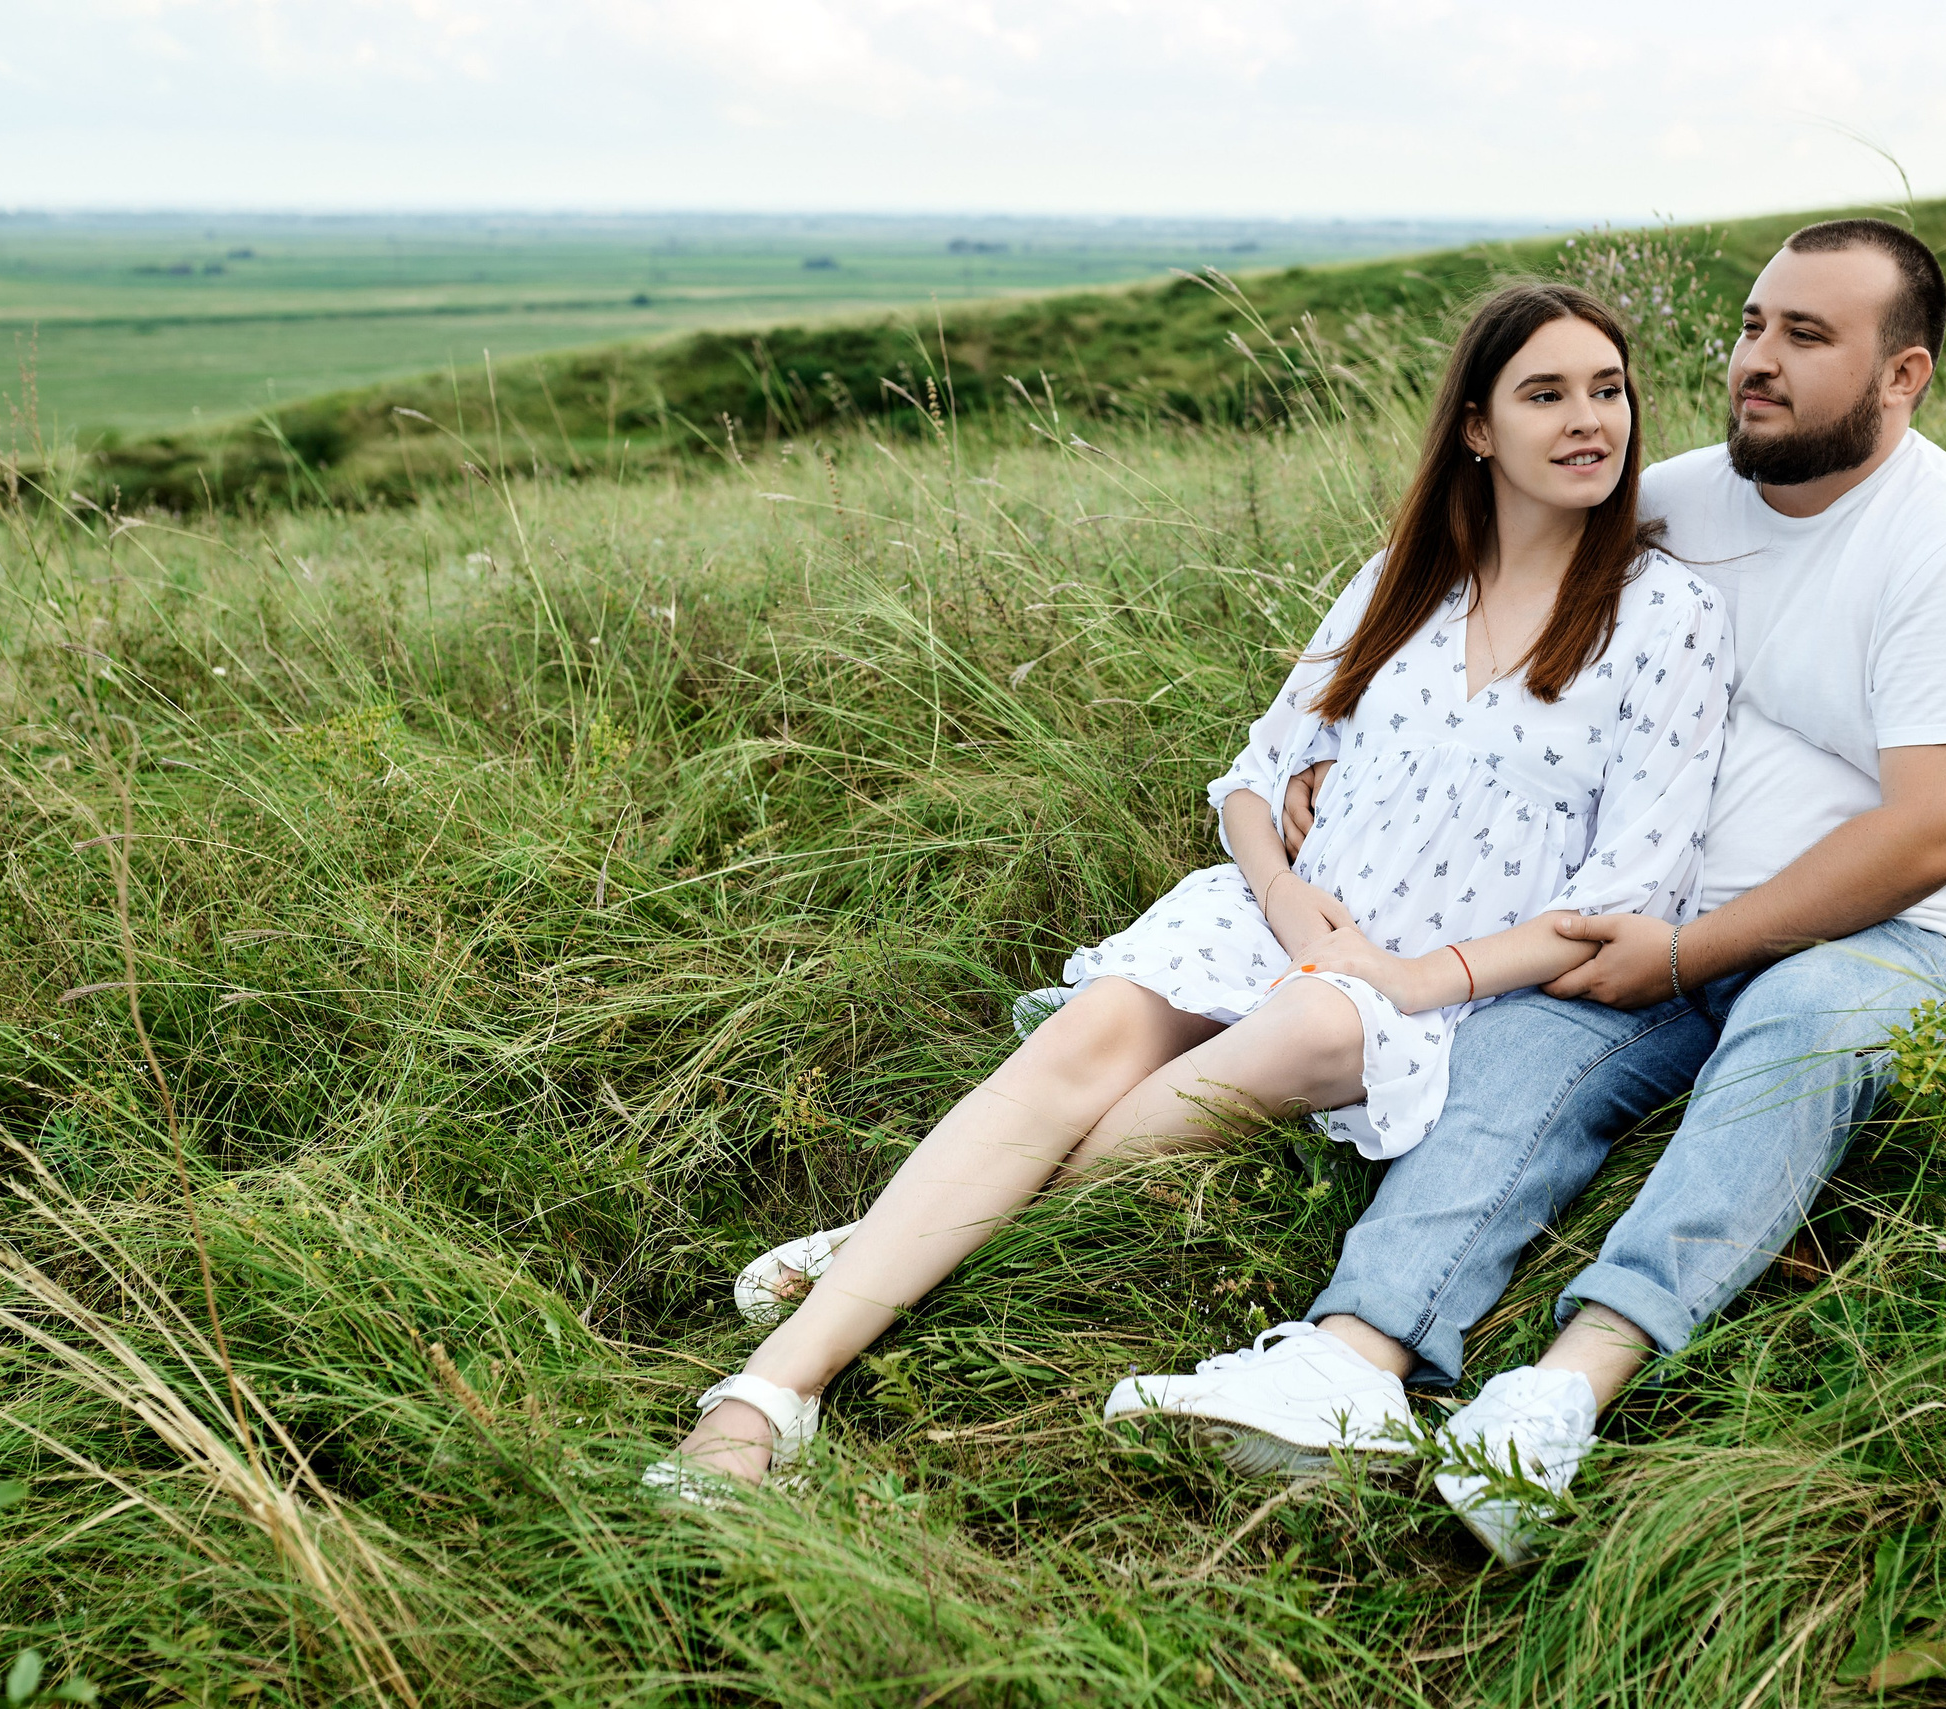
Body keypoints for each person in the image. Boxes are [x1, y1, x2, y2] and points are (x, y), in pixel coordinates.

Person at [645, 281, 1734, 1496]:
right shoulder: (1406, 578)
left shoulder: (1662, 616)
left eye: (1609, 390)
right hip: (1281, 912)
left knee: (1315, 1017)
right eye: (1546, 394)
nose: (1591, 420)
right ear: (1477, 427)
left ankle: (896, 1239)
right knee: (1098, 1030)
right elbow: (1255, 773)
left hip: (1434, 986)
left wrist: (1407, 972)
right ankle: (765, 1395)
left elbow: (1627, 892)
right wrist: (1278, 894)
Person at [1109, 219, 1946, 1567]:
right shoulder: (1684, 494)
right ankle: (1350, 1360)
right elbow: (1476, 576)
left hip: (1883, 935)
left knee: (1806, 1023)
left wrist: (1688, 953)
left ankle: (1559, 1395)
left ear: (1901, 376)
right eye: (1750, 326)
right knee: (1506, 1063)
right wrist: (1336, 759)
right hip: (1650, 919)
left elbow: (1935, 833)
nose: (1757, 362)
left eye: (1807, 337)